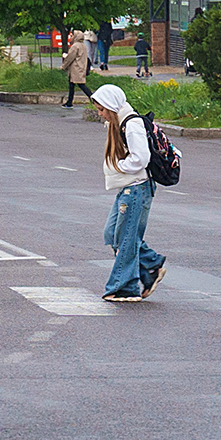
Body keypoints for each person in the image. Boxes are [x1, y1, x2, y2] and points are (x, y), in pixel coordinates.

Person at [92, 83, 162, 302]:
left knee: (126, 238)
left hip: (137, 188)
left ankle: (125, 287)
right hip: (128, 188)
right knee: (112, 234)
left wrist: (119, 167)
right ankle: (150, 265)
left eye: (102, 109)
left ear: (112, 107)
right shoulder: (120, 123)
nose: (100, 114)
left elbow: (141, 158)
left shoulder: (131, 125)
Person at [62, 28, 93, 107]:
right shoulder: (83, 45)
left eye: (72, 36)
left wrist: (64, 65)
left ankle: (93, 98)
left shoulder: (75, 46)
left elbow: (70, 58)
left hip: (75, 68)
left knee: (81, 85)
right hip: (81, 67)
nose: (70, 37)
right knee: (72, 85)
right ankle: (69, 102)